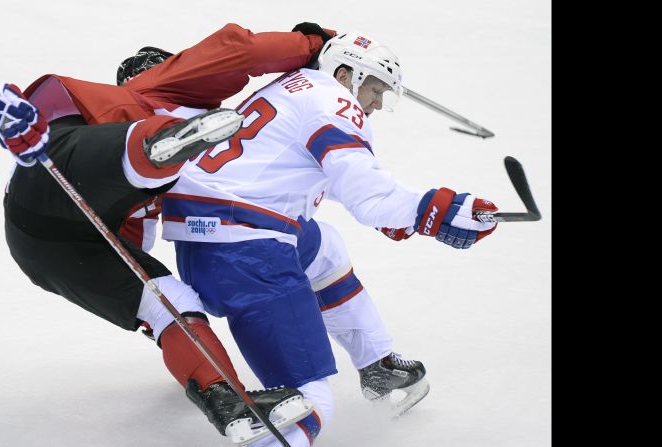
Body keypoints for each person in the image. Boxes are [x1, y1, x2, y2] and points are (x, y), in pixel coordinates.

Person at [153, 31, 499, 447]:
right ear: (344, 73)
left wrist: (409, 211)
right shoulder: (334, 101)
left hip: (209, 242)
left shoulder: (289, 87)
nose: (375, 104)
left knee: (324, 247)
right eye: (374, 89)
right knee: (309, 403)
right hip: (248, 255)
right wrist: (439, 209)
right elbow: (368, 196)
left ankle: (378, 366)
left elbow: (305, 171)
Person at [0, 78, 312, 445]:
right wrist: (311, 44)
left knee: (167, 299)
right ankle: (154, 148)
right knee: (103, 152)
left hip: (56, 250)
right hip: (43, 189)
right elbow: (45, 98)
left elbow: (134, 237)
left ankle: (229, 403)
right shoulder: (119, 95)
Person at [116, 25, 429, 414]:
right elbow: (241, 50)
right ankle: (223, 381)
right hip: (237, 240)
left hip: (231, 225)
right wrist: (316, 43)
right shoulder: (191, 105)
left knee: (324, 247)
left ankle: (376, 363)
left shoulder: (149, 115)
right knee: (304, 390)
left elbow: (276, 165)